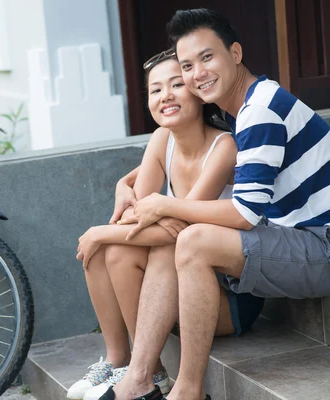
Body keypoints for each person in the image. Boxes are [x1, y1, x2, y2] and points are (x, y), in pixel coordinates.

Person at [109, 8, 330, 400]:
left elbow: (243, 214)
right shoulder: (251, 107)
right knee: (174, 243)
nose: (198, 74)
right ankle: (140, 378)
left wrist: (165, 205)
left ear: (236, 53)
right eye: (188, 65)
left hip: (321, 244)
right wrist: (129, 181)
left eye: (208, 57)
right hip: (299, 236)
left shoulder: (259, 110)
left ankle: (188, 390)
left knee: (192, 242)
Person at [68, 48, 263, 400]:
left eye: (177, 84)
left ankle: (144, 374)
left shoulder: (224, 148)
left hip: (225, 299)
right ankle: (125, 362)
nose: (166, 96)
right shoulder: (161, 140)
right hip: (173, 290)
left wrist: (100, 230)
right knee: (110, 252)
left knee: (140, 245)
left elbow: (180, 229)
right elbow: (136, 221)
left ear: (197, 91)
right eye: (156, 90)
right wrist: (131, 207)